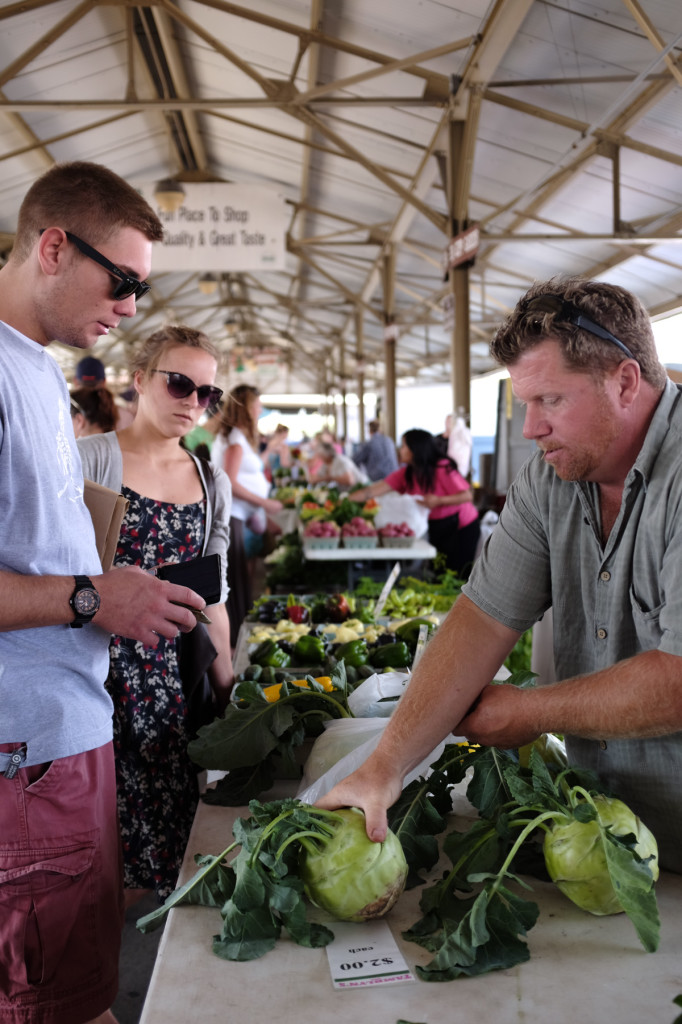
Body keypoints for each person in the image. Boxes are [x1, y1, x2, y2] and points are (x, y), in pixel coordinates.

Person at [317, 275, 682, 877]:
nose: (528, 428)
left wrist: (533, 711)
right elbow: (480, 618)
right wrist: (384, 766)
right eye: (523, 404)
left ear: (624, 381)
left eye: (550, 401)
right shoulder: (551, 479)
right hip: (599, 841)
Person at [0, 161, 209, 1024]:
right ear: (53, 246)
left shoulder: (40, 372)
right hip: (28, 757)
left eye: (140, 290)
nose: (128, 307)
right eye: (121, 282)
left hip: (64, 735)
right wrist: (94, 599)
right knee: (67, 1007)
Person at [78, 325, 233, 905]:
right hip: (91, 679)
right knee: (91, 851)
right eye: (180, 383)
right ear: (140, 380)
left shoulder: (209, 479)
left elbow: (211, 593)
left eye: (208, 394)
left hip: (169, 686)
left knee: (167, 848)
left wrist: (227, 686)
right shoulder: (89, 460)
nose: (193, 401)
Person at [351, 428, 480, 576]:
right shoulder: (407, 473)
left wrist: (438, 500)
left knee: (456, 574)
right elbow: (372, 491)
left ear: (416, 448)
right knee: (439, 572)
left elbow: (467, 495)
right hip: (437, 526)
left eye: (404, 446)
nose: (401, 450)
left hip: (461, 527)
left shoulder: (441, 467)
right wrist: (346, 500)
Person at [211, 384, 283, 639]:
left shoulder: (235, 437)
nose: (260, 410)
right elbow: (229, 481)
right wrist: (264, 504)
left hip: (241, 516)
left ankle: (237, 635)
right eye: (257, 405)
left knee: (239, 577)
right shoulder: (235, 442)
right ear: (247, 408)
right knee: (236, 579)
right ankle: (234, 639)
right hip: (235, 517)